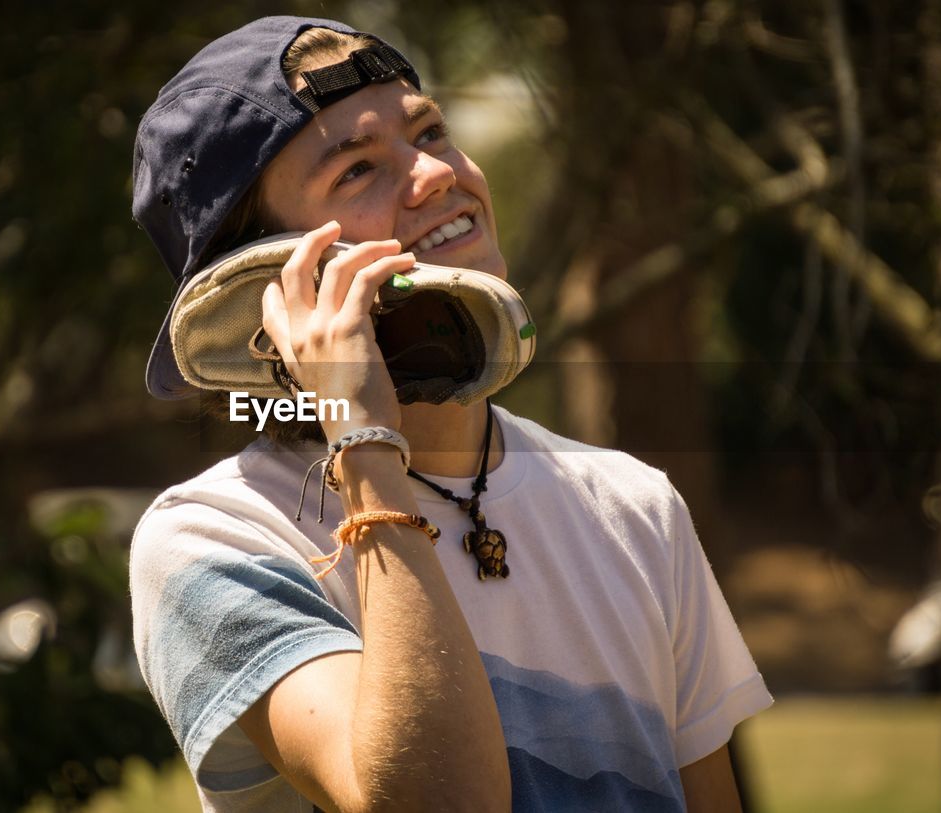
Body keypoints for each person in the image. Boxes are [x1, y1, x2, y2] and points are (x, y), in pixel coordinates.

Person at [129, 15, 772, 812]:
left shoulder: (635, 505)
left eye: (430, 132)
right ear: (263, 283)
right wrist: (365, 440)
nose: (435, 175)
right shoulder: (213, 537)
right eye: (358, 170)